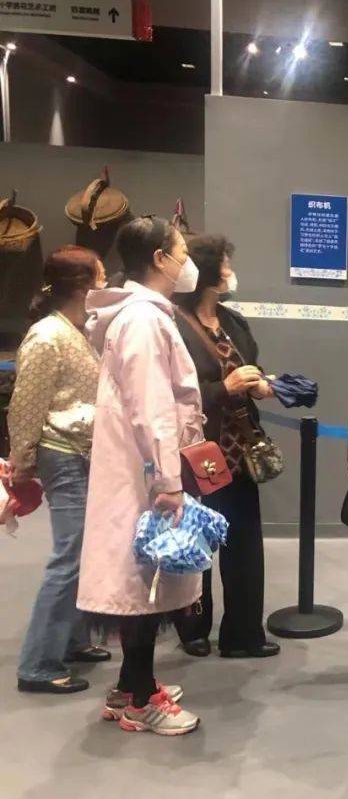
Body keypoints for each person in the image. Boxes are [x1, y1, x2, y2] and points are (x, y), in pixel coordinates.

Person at [78, 216, 204, 736]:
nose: (186, 263)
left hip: (137, 468)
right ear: (159, 259)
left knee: (143, 579)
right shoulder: (145, 321)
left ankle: (131, 685)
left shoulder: (138, 316)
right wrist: (167, 481)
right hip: (145, 473)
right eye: (181, 252)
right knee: (145, 581)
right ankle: (140, 698)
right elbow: (153, 408)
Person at [170, 234, 280, 659]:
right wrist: (223, 388)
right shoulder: (174, 324)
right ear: (207, 272)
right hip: (199, 450)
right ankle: (193, 627)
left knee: (245, 542)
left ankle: (243, 633)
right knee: (197, 537)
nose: (231, 270)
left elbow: (251, 363)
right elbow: (170, 393)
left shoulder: (233, 321)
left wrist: (259, 384)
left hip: (240, 450)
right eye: (225, 263)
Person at [10, 246, 108, 694]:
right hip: (62, 452)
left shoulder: (78, 331)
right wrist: (22, 460)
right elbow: (26, 405)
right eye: (100, 277)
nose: (105, 285)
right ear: (83, 286)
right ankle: (38, 664)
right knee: (70, 554)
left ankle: (72, 639)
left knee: (83, 551)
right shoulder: (48, 335)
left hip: (82, 451)